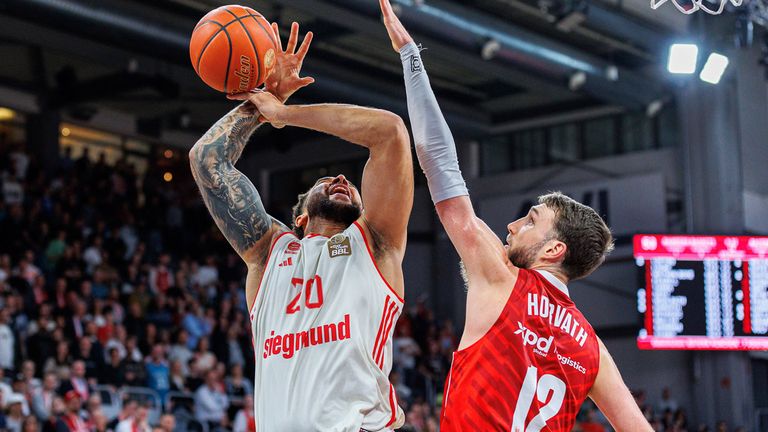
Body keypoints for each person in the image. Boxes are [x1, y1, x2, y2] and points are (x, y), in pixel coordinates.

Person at [379, 1, 652, 430]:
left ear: (553, 248)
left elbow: (438, 161)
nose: (512, 225)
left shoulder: (502, 276)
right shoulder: (592, 349)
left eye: (530, 219)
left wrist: (411, 57)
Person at [189, 21, 412, 431]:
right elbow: (207, 162)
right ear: (301, 218)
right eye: (327, 180)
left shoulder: (375, 245)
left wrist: (284, 114)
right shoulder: (269, 254)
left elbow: (390, 133)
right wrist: (263, 101)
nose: (342, 180)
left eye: (348, 183)